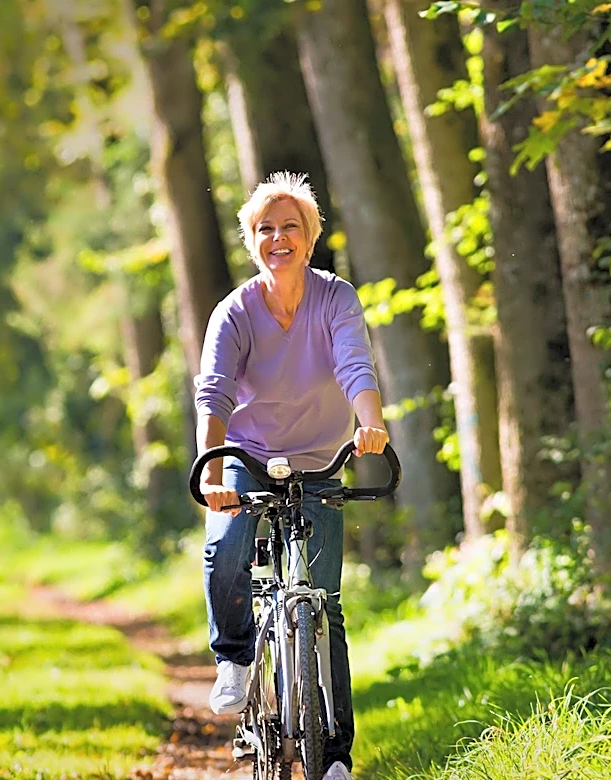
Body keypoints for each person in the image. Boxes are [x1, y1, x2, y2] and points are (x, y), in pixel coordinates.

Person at [193, 171, 389, 780]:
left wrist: (371, 427)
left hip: (320, 460)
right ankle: (233, 657)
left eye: (290, 227)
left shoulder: (337, 298)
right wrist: (213, 471)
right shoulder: (234, 314)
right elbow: (214, 397)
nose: (279, 238)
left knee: (323, 610)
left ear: (310, 237)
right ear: (253, 242)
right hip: (249, 457)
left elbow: (355, 365)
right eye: (266, 229)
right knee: (225, 544)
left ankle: (332, 758)